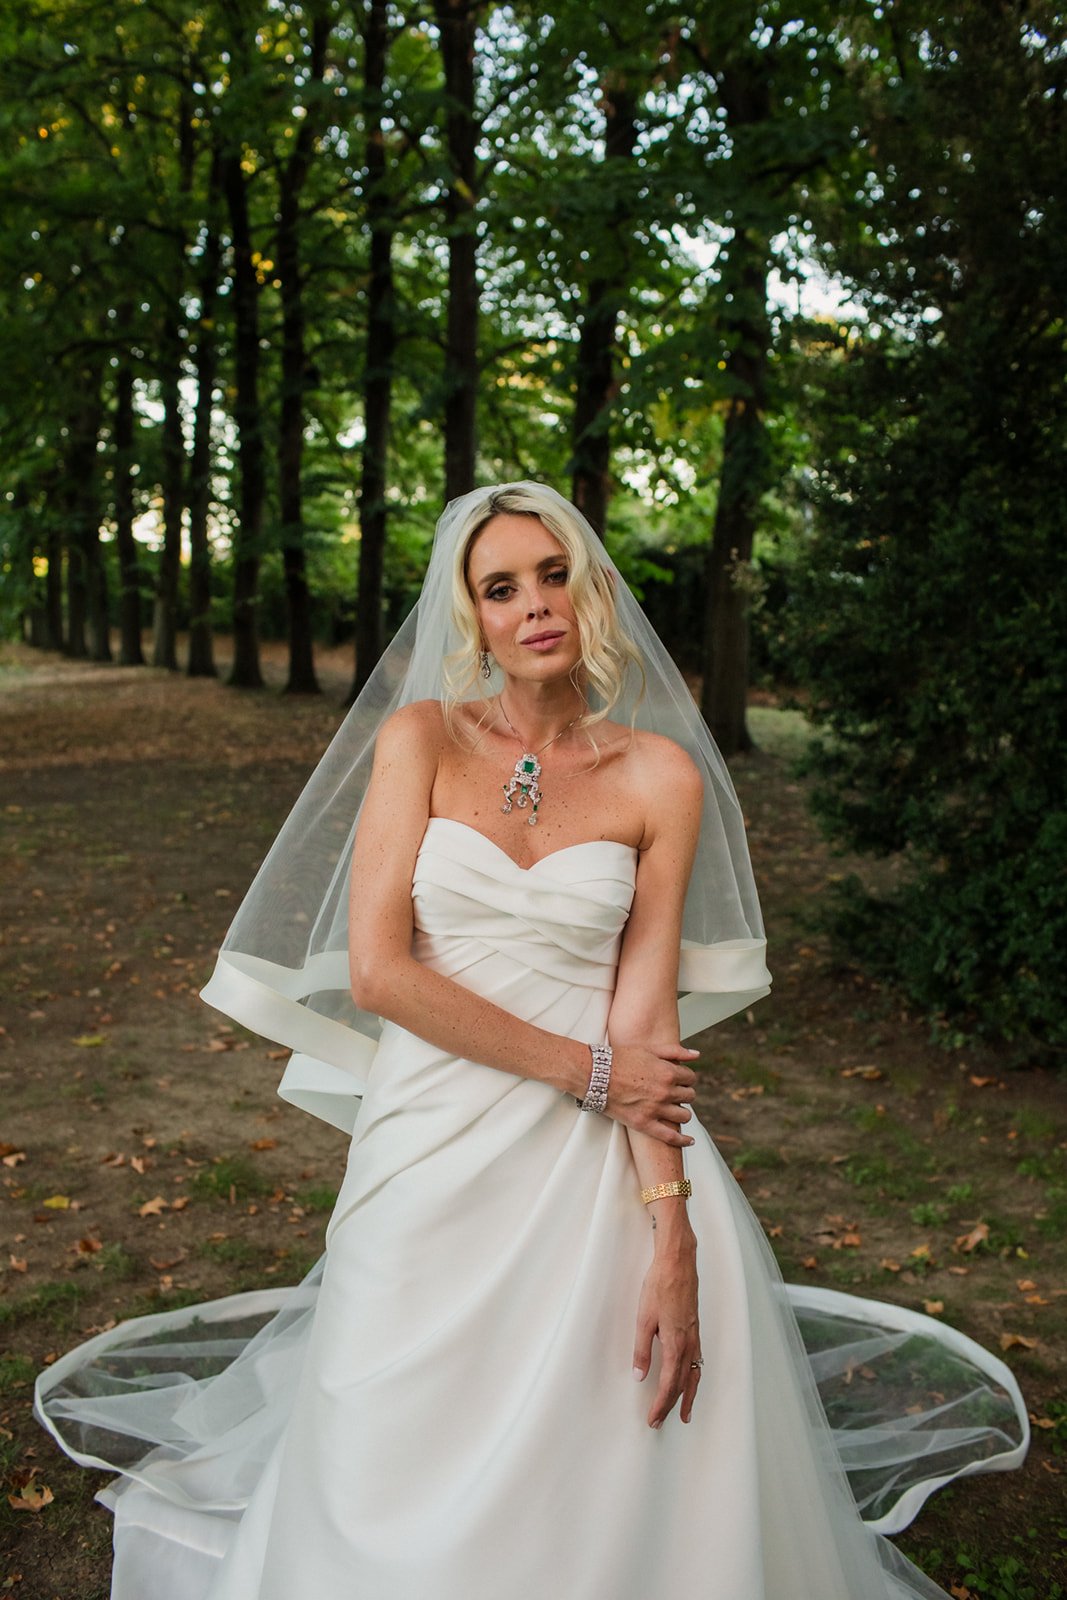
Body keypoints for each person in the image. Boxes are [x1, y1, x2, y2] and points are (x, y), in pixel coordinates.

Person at [36, 483, 1027, 1600]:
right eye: (500, 587)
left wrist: (672, 1233)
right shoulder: (417, 740)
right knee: (388, 1411)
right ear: (471, 617)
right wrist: (588, 1072)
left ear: (590, 589)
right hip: (432, 1135)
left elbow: (643, 1021)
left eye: (553, 575)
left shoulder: (660, 776)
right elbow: (380, 972)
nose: (534, 605)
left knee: (604, 1434)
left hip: (596, 1162)